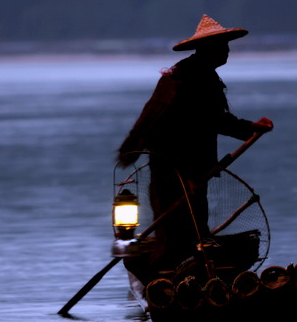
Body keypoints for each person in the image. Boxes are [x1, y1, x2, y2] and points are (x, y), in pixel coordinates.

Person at [117, 15, 273, 272]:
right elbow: (212, 119)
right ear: (207, 49)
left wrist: (249, 129)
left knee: (184, 218)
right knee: (183, 216)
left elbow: (207, 120)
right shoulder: (192, 77)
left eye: (228, 46)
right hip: (177, 161)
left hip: (180, 162)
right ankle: (177, 268)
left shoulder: (191, 73)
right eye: (222, 46)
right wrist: (252, 128)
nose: (227, 52)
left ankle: (184, 263)